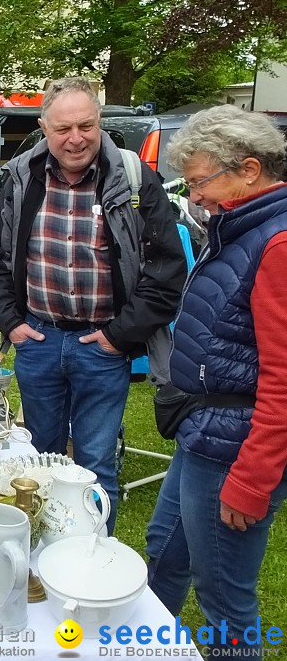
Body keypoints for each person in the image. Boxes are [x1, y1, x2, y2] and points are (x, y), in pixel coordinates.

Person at [0, 77, 186, 532]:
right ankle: (42, 565)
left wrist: (118, 337)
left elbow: (167, 271)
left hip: (101, 347)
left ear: (100, 123)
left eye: (86, 126)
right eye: (63, 129)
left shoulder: (134, 178)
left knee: (96, 468)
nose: (76, 138)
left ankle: (91, 572)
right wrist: (11, 323)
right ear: (44, 129)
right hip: (38, 339)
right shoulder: (21, 178)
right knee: (38, 464)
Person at [144, 107, 287, 655]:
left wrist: (252, 481)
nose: (194, 195)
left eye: (201, 180)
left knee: (225, 598)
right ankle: (140, 647)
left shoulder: (275, 244)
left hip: (237, 442)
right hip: (205, 430)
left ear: (249, 169)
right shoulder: (237, 228)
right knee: (165, 548)